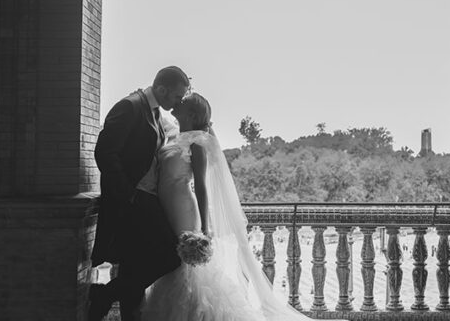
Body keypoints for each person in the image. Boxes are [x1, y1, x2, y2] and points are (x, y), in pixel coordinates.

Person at [141, 93, 328, 321]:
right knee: (172, 262)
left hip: (183, 207)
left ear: (191, 114)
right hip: (165, 206)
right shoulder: (173, 136)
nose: (177, 103)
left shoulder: (197, 143)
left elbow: (201, 185)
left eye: (183, 102)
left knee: (185, 267)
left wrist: (205, 228)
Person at [88, 66, 191, 321]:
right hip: (134, 200)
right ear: (162, 88)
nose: (178, 102)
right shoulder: (130, 106)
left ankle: (107, 295)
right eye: (177, 96)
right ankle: (105, 294)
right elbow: (105, 151)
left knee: (134, 264)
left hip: (144, 199)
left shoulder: (154, 112)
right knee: (171, 255)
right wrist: (128, 194)